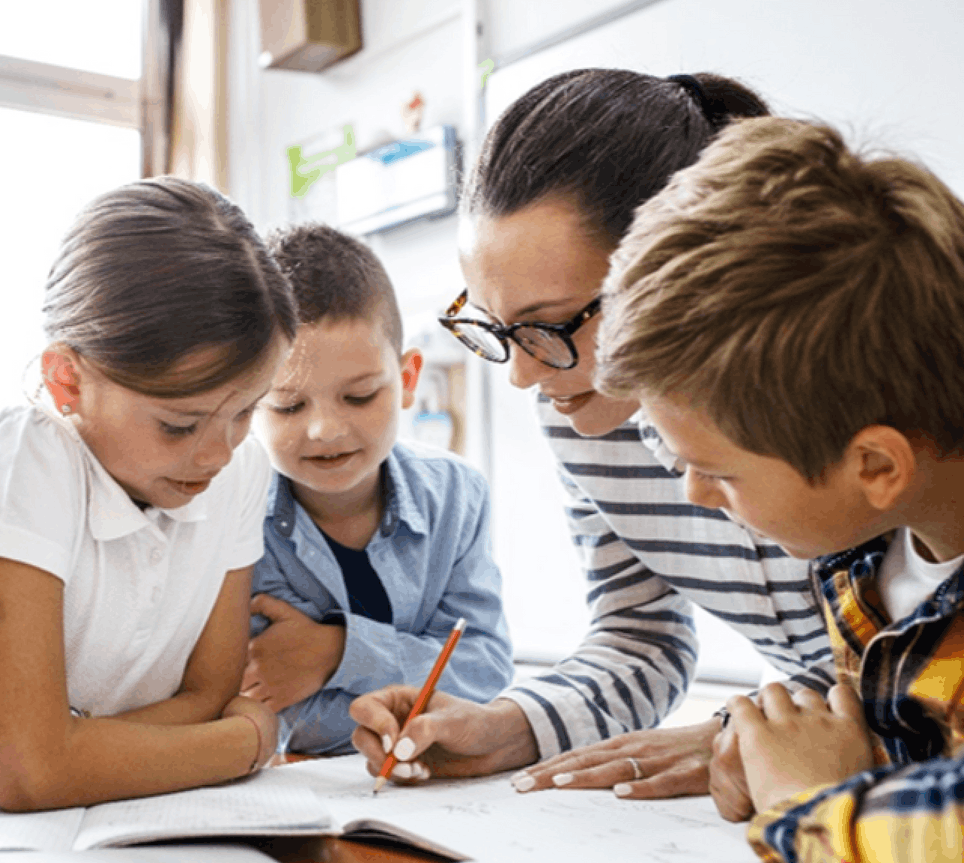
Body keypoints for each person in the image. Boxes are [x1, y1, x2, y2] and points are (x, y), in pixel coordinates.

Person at [349, 69, 834, 797]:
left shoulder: (853, 386)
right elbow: (640, 634)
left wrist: (747, 733)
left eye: (547, 325)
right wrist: (506, 724)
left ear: (677, 269)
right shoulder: (578, 409)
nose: (520, 375)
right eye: (495, 326)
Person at [596, 115, 964, 862]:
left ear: (875, 468)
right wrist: (775, 742)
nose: (694, 493)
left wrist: (806, 805)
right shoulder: (864, 560)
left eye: (719, 471)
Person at [0, 176, 297, 810]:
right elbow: (30, 774)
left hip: (136, 817)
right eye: (179, 424)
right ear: (67, 380)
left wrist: (53, 752)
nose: (218, 452)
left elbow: (208, 693)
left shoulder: (241, 469)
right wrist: (245, 744)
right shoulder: (27, 456)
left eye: (246, 412)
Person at [243, 223, 513, 757]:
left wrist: (340, 652)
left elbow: (484, 671)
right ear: (245, 399)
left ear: (408, 379)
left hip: (432, 786)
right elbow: (269, 705)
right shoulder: (236, 514)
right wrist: (420, 701)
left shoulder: (457, 496)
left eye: (360, 396)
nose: (326, 430)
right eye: (289, 406)